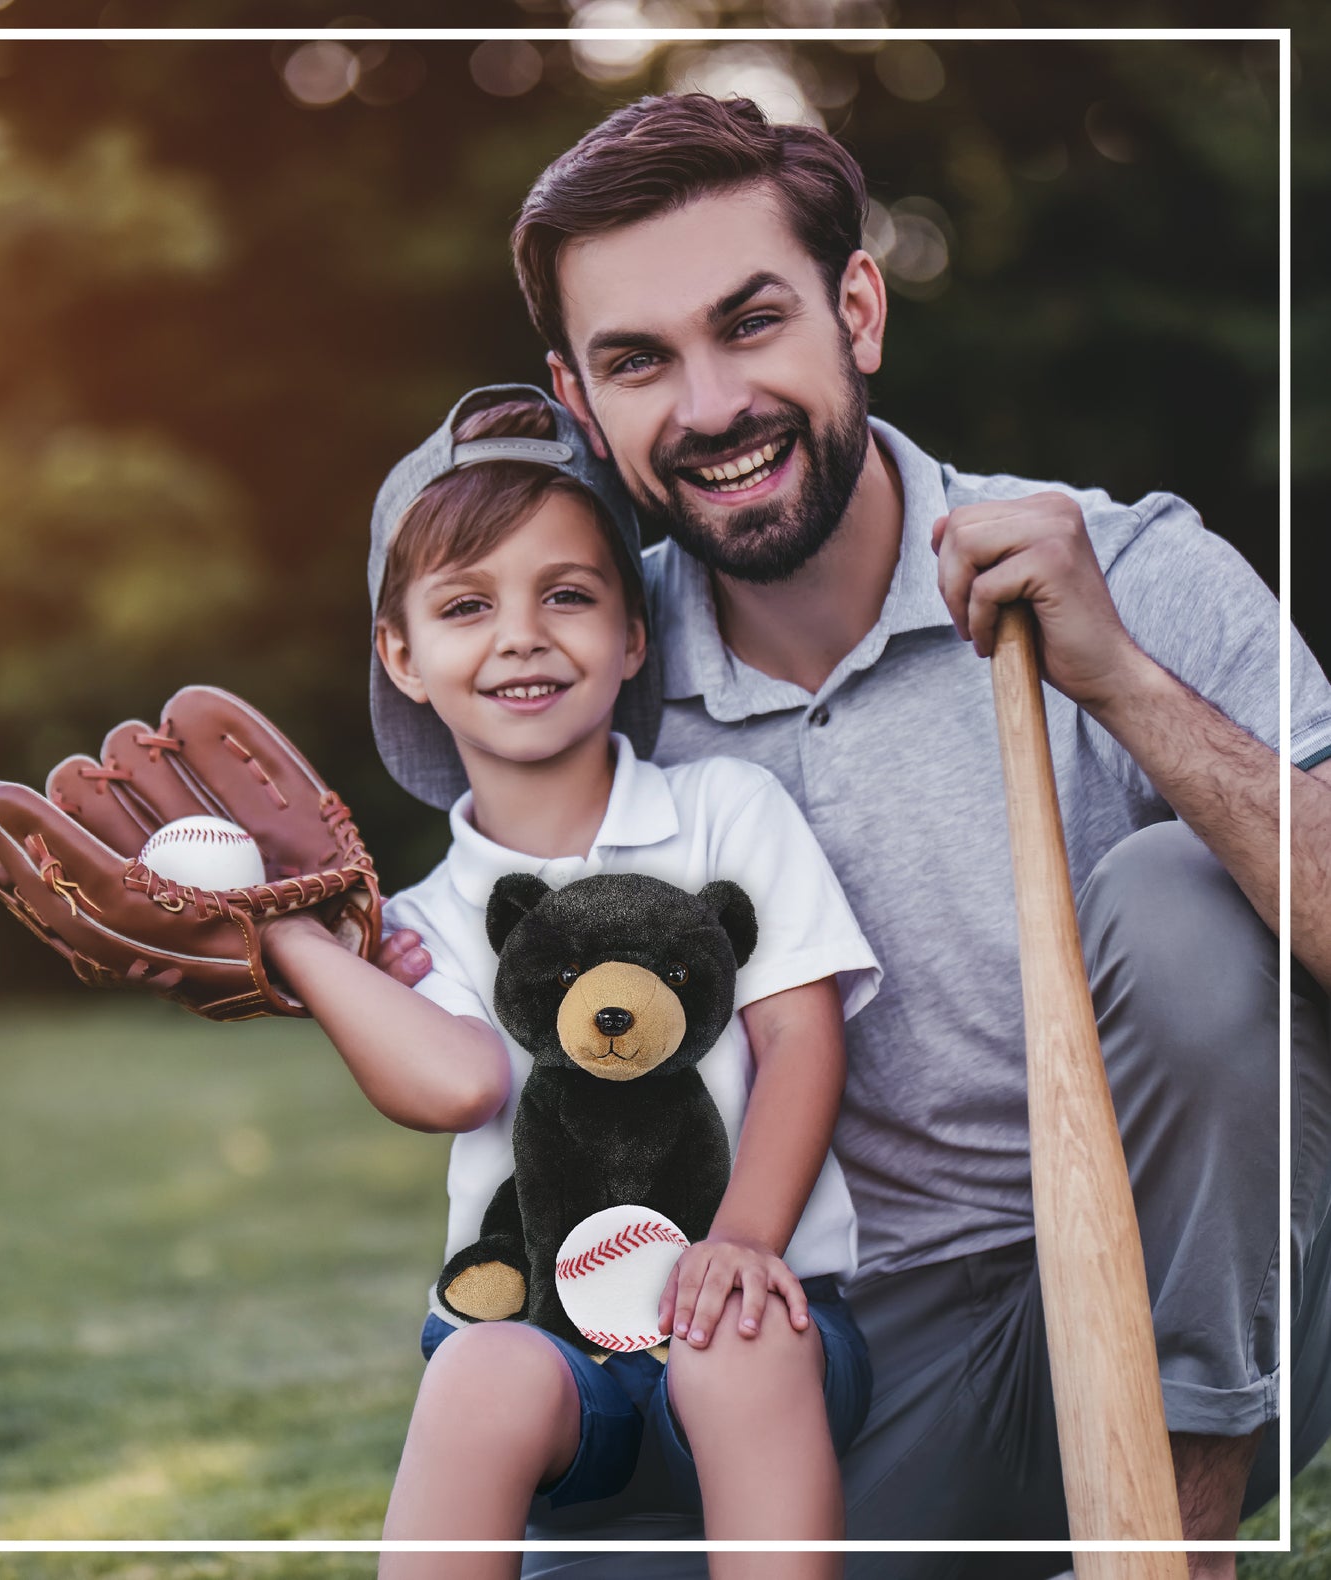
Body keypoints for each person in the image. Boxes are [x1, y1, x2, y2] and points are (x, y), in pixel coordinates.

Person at [384, 94, 1331, 1578]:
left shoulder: (1128, 565)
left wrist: (1125, 684)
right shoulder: (585, 663)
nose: (707, 407)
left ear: (858, 307)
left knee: (1180, 901)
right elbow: (448, 917)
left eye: (750, 322)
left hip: (1195, 1296)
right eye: (639, 361)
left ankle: (1166, 1551)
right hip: (839, 1352)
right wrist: (273, 939)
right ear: (579, 398)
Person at [263, 384, 883, 1579]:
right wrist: (294, 939)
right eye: (462, 604)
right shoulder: (421, 920)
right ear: (400, 652)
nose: (520, 635)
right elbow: (454, 1084)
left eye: (566, 594)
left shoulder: (722, 813)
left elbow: (803, 1040)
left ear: (633, 631)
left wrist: (742, 1238)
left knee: (736, 1337)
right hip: (557, 1363)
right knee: (478, 1368)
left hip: (765, 1329)